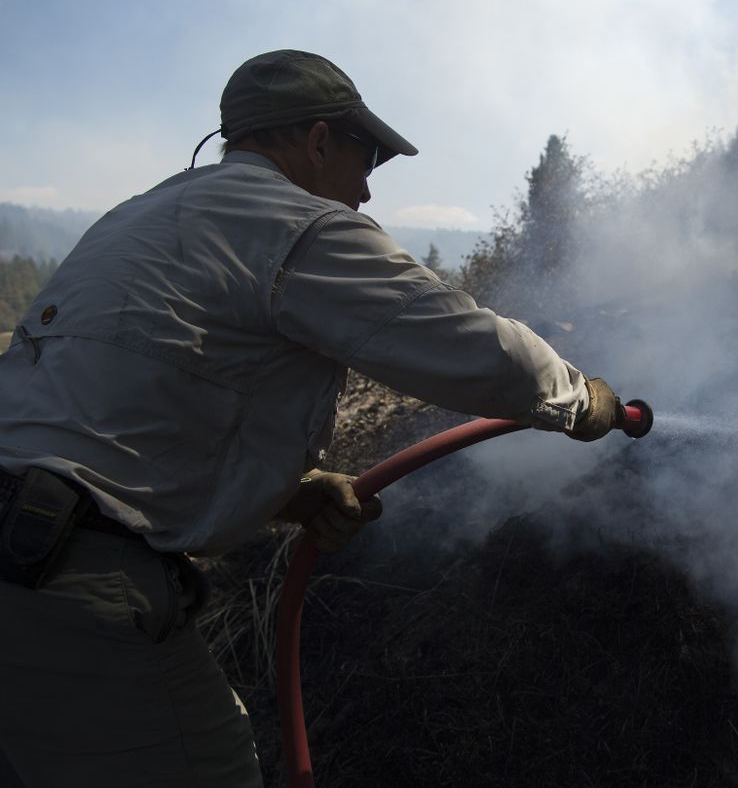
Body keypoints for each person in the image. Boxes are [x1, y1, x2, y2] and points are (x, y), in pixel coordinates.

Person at [0, 49, 623, 787]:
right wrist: (582, 399)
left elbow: (125, 402)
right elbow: (476, 349)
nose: (364, 192)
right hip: (67, 591)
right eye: (366, 161)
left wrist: (282, 493)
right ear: (319, 140)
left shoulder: (140, 216)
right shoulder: (295, 225)